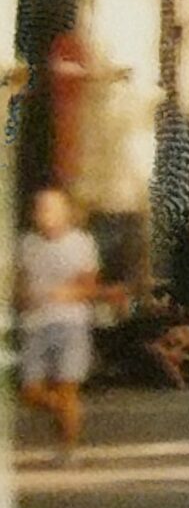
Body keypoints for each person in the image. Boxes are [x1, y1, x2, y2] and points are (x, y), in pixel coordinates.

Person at [19, 188, 103, 460]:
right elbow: (18, 282)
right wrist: (22, 296)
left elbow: (90, 288)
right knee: (30, 390)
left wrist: (67, 294)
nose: (45, 215)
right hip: (35, 323)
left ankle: (67, 449)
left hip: (70, 323)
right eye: (41, 208)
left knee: (67, 386)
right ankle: (65, 410)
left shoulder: (80, 243)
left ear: (66, 212)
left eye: (52, 208)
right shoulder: (27, 244)